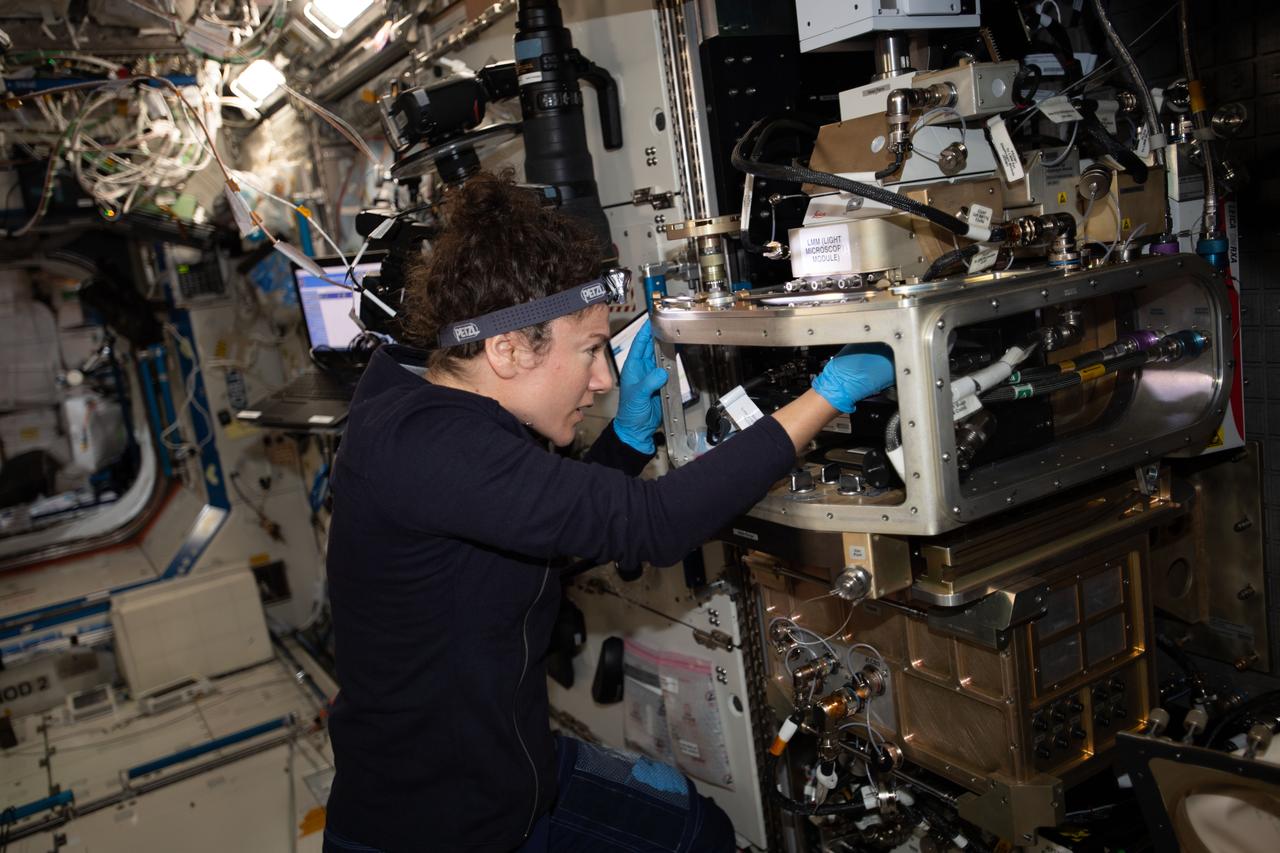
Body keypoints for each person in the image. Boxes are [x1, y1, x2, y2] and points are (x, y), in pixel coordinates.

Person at [322, 171, 894, 853]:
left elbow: (552, 535)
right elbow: (652, 524)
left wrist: (623, 443)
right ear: (506, 347)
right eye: (590, 350)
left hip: (502, 780)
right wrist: (825, 396)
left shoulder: (433, 416)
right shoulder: (431, 446)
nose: (601, 378)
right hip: (436, 829)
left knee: (696, 831)